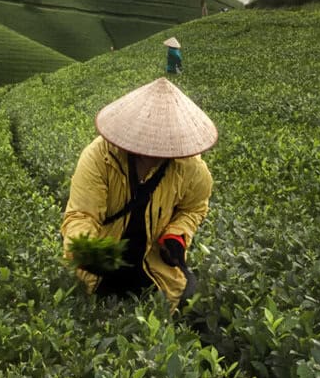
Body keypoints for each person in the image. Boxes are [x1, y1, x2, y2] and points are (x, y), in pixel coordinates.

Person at [62, 77, 215, 304]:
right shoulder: (99, 157)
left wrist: (177, 234)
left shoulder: (192, 169)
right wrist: (86, 249)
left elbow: (194, 209)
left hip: (151, 261)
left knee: (180, 305)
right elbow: (82, 214)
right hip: (106, 263)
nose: (153, 154)